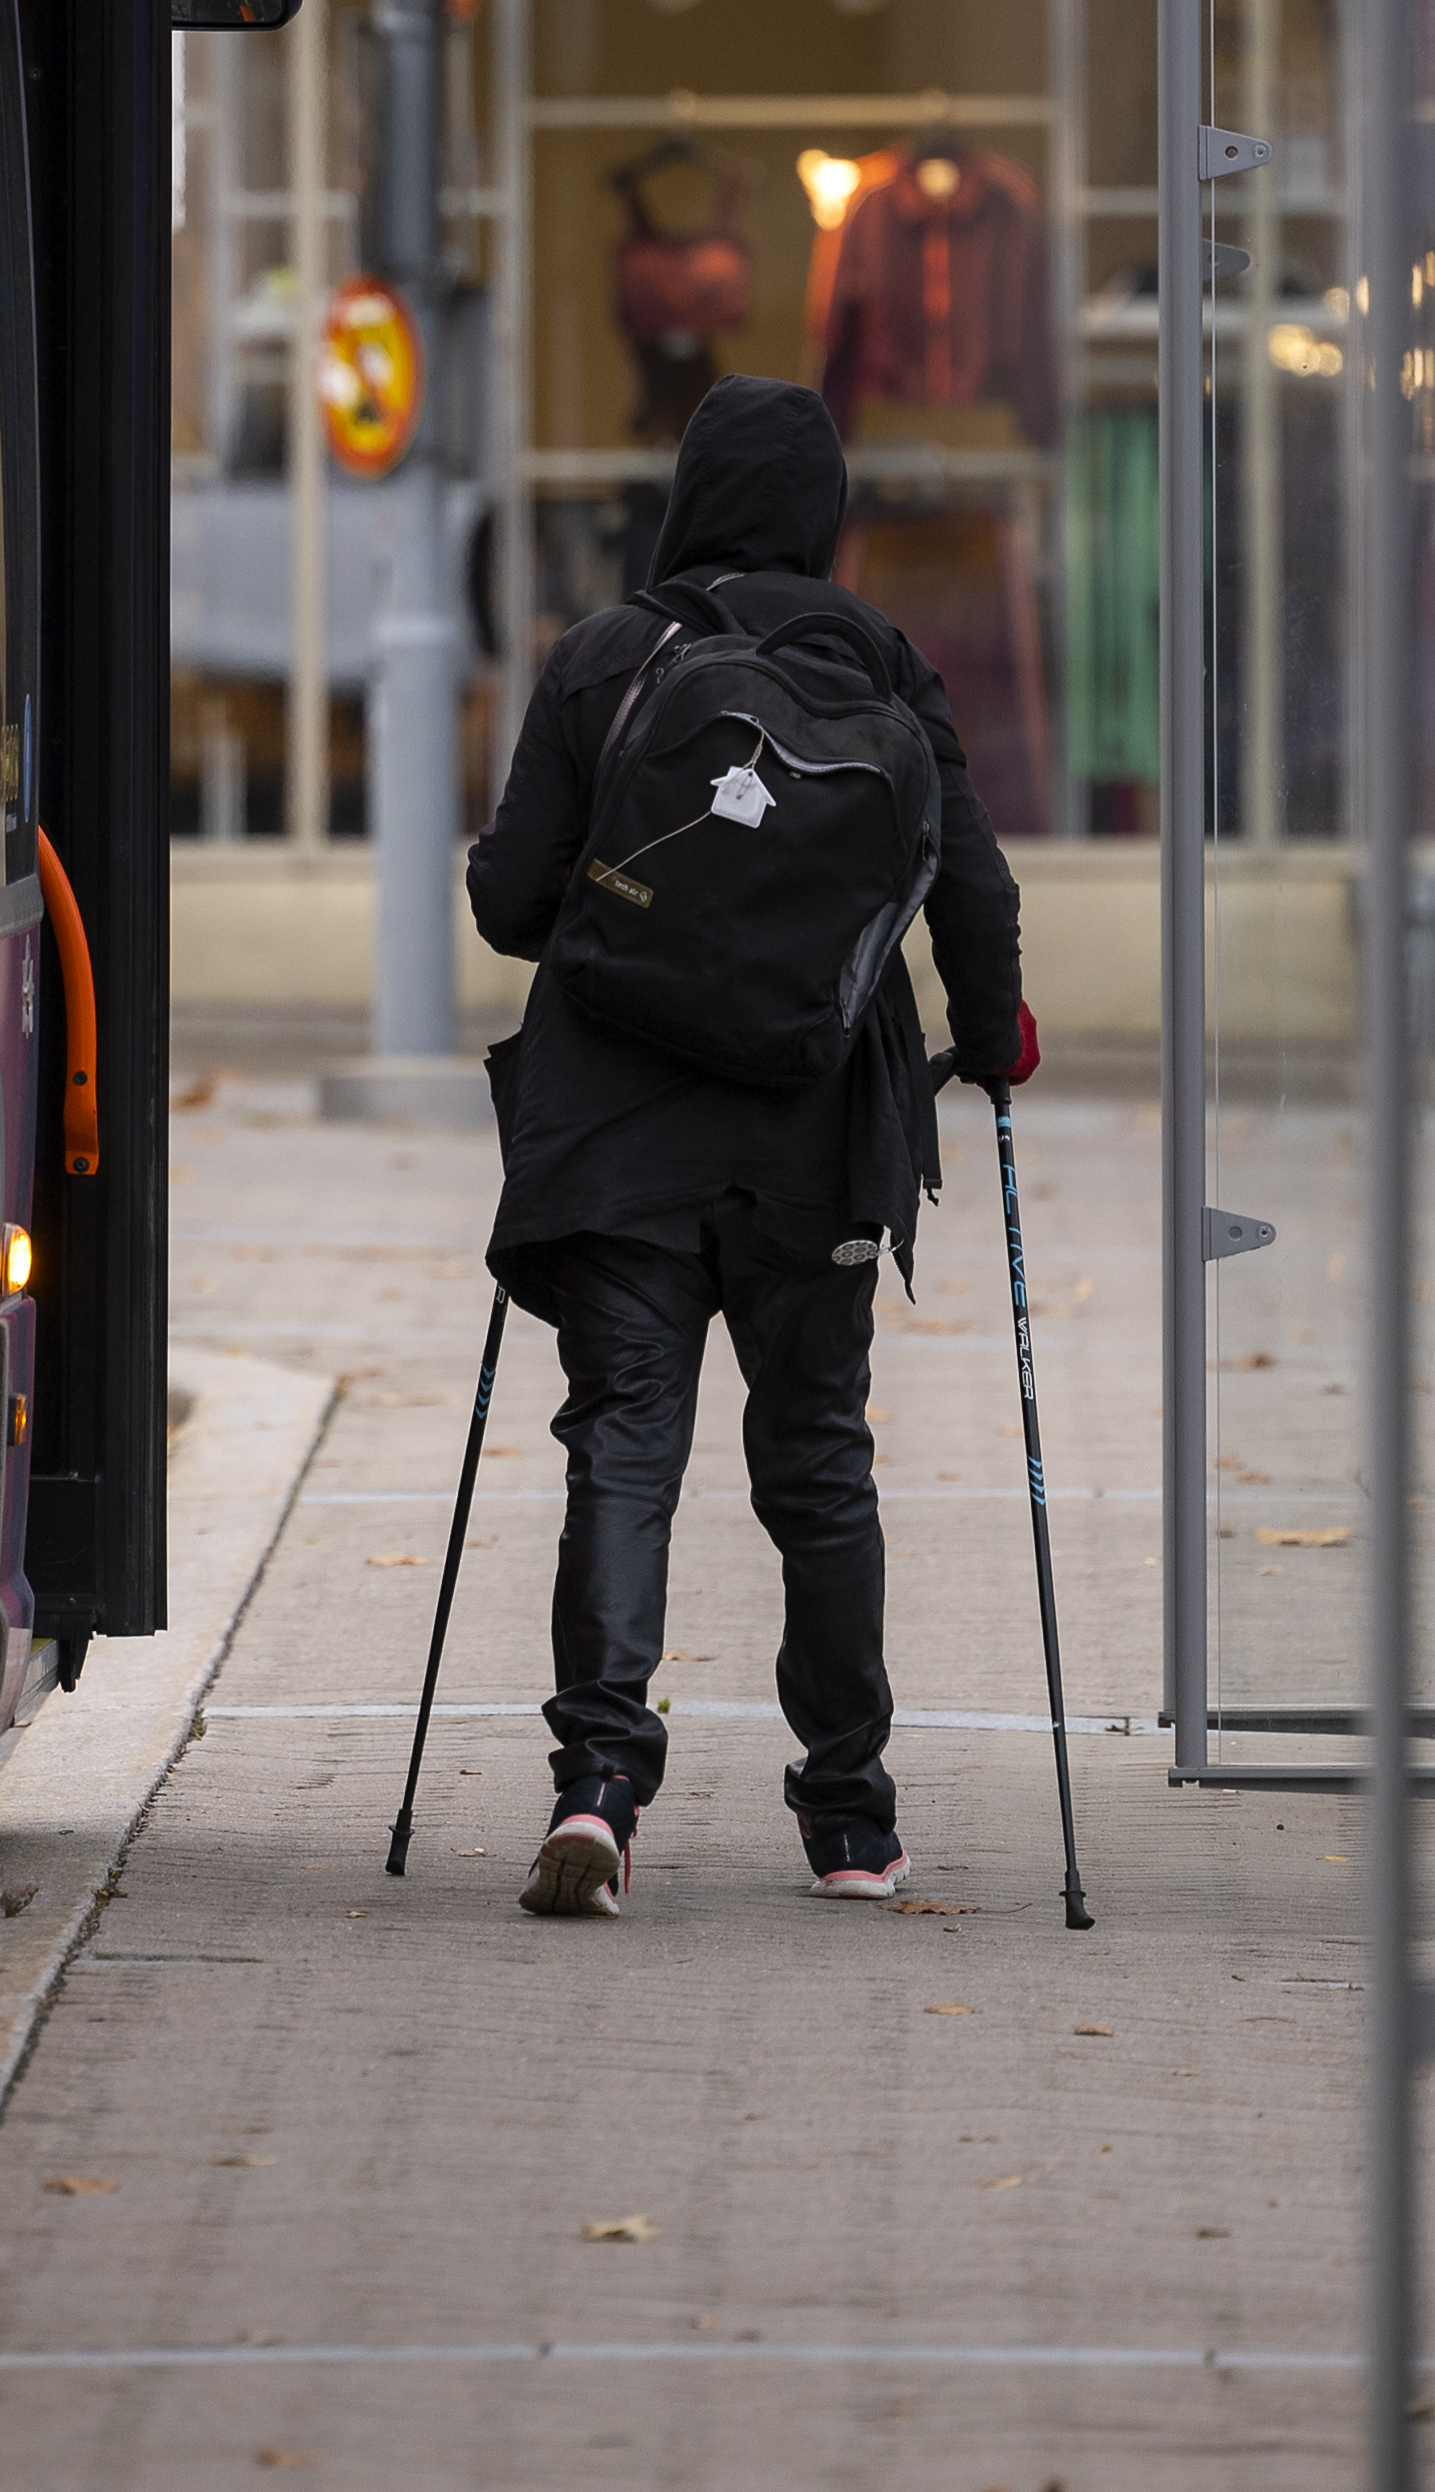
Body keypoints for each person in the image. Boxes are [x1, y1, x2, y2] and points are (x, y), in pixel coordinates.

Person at [465, 375, 1030, 1918]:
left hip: (619, 1146)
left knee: (624, 1445)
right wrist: (992, 1038)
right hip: (812, 1144)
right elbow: (968, 892)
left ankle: (597, 1788)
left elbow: (515, 904)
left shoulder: (605, 656)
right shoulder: (886, 672)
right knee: (817, 1466)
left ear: (685, 497)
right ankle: (849, 1821)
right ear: (822, 514)